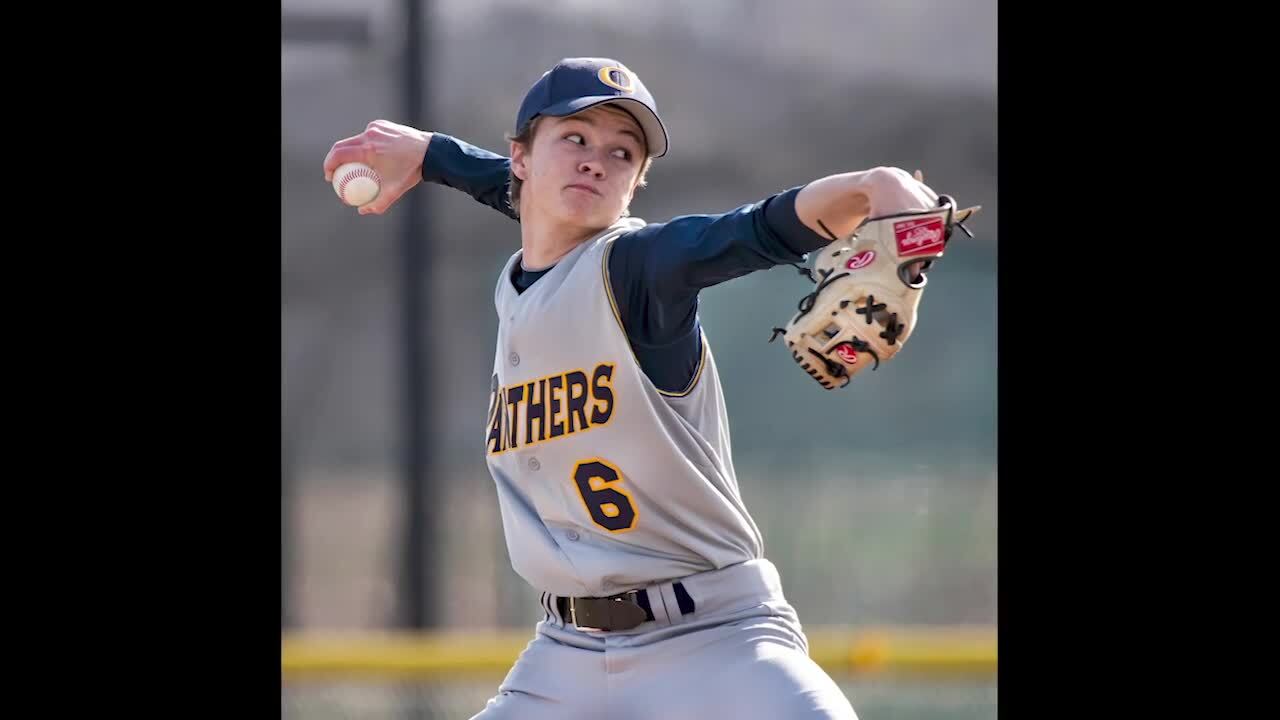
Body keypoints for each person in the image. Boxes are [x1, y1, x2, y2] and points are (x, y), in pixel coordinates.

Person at [324, 57, 943, 720]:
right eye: (575, 138)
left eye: (622, 153)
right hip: (564, 654)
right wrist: (432, 155)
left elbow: (758, 228)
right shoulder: (528, 270)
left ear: (633, 186)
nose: (595, 162)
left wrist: (873, 187)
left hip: (714, 641)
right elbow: (523, 193)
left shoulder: (641, 267)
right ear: (520, 160)